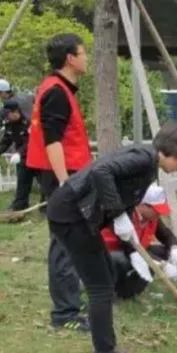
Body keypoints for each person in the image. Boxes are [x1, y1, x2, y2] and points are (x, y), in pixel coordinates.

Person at [46, 121, 177, 353]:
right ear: (173, 153)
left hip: (81, 217)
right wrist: (118, 215)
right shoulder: (143, 159)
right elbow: (101, 171)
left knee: (105, 278)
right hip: (70, 216)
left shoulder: (147, 165)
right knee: (101, 288)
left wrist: (137, 244)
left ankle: (107, 347)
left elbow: (123, 192)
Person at [25, 33, 92, 332]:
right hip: (63, 176)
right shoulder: (56, 91)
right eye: (83, 53)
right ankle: (65, 313)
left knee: (71, 240)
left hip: (67, 173)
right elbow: (52, 140)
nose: (86, 58)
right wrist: (66, 182)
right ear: (70, 58)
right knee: (64, 242)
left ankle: (70, 302)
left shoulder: (59, 88)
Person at [100, 183, 177, 300]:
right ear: (141, 205)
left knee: (164, 252)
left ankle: (134, 290)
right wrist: (162, 265)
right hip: (112, 253)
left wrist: (175, 250)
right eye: (155, 210)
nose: (159, 213)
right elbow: (130, 247)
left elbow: (166, 235)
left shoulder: (152, 218)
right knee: (122, 260)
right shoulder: (125, 218)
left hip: (138, 251)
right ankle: (114, 293)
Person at [2, 99, 34, 211]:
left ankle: (46, 207)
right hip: (22, 157)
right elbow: (6, 141)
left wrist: (19, 153)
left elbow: (30, 141)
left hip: (35, 155)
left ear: (15, 112)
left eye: (8, 114)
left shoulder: (29, 122)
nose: (7, 117)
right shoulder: (9, 124)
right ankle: (20, 205)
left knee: (45, 183)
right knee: (22, 181)